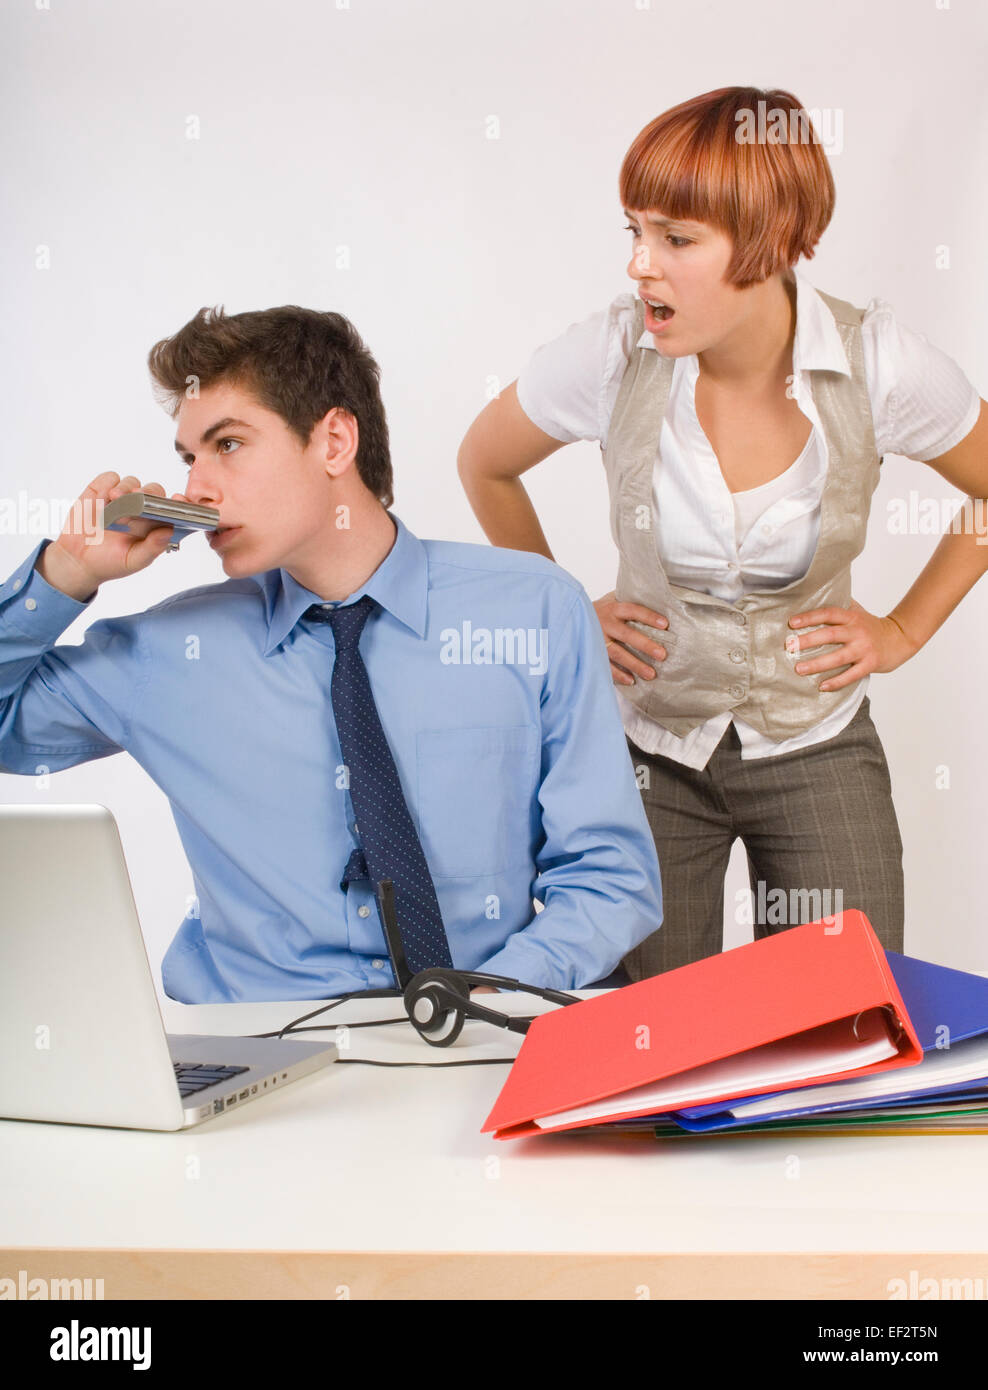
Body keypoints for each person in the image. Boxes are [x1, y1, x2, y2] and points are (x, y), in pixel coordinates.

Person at [457, 85, 987, 979]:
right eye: (635, 231)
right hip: (646, 751)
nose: (640, 266)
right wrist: (567, 612)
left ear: (771, 244)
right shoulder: (612, 355)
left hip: (815, 740)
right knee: (639, 1057)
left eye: (676, 239)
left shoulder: (879, 364)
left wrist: (903, 631)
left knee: (840, 1030)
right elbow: (485, 463)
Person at [0, 306, 662, 1002]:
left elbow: (610, 874)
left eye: (227, 445)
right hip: (258, 1068)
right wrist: (65, 574)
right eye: (189, 458)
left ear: (335, 442)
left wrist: (490, 998)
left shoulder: (536, 611)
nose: (196, 489)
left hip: (478, 1041)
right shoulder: (168, 652)